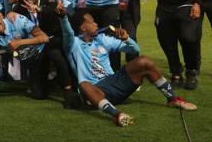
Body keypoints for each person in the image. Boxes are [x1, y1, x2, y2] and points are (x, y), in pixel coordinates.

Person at [60, 11, 196, 127]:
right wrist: (63, 17)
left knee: (145, 61)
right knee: (83, 85)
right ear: (83, 28)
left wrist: (126, 39)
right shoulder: (73, 44)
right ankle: (117, 115)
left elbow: (135, 49)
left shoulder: (102, 39)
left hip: (114, 83)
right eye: (92, 22)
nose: (96, 24)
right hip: (96, 91)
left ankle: (172, 99)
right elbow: (67, 32)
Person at [11, 0, 79, 107]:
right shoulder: (19, 6)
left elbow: (54, 11)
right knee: (38, 94)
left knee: (55, 54)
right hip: (38, 46)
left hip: (56, 41)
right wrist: (10, 13)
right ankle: (46, 81)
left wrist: (39, 9)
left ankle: (68, 91)